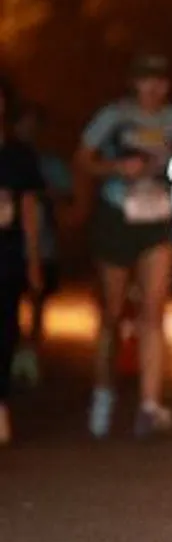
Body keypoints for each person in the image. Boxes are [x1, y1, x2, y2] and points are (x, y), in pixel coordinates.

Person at [74, 54, 172, 440]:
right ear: (133, 82)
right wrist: (116, 168)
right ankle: (103, 393)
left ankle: (150, 405)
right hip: (117, 216)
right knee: (113, 314)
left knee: (154, 312)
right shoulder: (114, 115)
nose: (153, 87)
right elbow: (83, 159)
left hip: (157, 217)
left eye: (160, 80)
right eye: (145, 79)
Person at [11, 102, 74, 387]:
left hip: (43, 243)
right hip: (12, 244)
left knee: (38, 297)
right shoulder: (9, 159)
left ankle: (30, 351)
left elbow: (66, 198)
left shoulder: (49, 164)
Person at [0, 75, 43, 446]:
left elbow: (29, 212)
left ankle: (1, 407)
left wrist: (33, 261)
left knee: (6, 331)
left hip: (7, 256)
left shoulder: (18, 156)